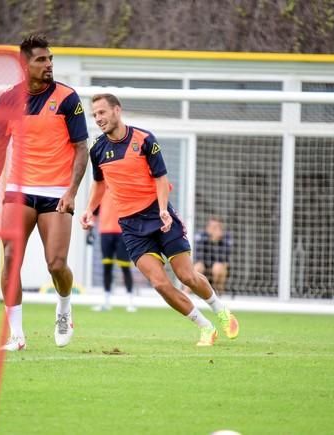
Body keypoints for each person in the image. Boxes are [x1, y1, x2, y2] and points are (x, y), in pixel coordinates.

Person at [80, 94, 239, 346]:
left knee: (187, 276)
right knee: (159, 283)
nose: (98, 118)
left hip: (159, 215)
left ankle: (220, 310)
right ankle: (205, 327)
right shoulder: (97, 149)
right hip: (131, 227)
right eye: (95, 114)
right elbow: (100, 183)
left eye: (102, 112)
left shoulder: (144, 139)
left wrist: (164, 209)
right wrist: (90, 209)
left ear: (117, 111)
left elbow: (160, 178)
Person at [0, 34, 89, 351]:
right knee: (11, 259)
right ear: (23, 64)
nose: (49, 65)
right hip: (17, 190)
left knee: (56, 264)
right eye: (41, 59)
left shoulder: (68, 98)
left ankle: (64, 307)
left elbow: (82, 149)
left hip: (57, 191)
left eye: (51, 59)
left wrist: (71, 191)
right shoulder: (8, 100)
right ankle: (16, 335)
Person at [91, 187, 136, 312]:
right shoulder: (101, 188)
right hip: (105, 232)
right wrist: (90, 229)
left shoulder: (123, 186)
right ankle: (106, 301)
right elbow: (94, 210)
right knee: (107, 267)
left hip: (122, 232)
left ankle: (130, 300)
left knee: (125, 266)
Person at [193, 216, 232, 295]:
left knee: (217, 267)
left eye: (218, 227)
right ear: (208, 228)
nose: (216, 230)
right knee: (198, 267)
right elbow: (198, 256)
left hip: (219, 268)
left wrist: (216, 241)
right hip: (204, 266)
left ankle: (216, 293)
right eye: (213, 227)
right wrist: (210, 240)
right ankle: (187, 293)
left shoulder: (225, 238)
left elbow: (223, 258)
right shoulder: (202, 237)